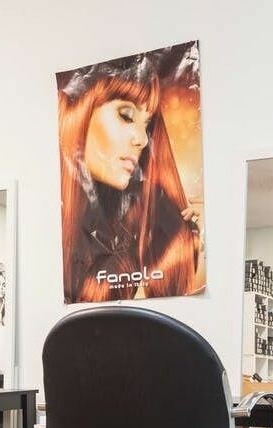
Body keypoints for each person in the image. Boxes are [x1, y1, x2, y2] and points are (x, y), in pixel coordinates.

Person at [57, 48, 205, 303]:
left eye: (147, 125)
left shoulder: (148, 213)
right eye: (126, 116)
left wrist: (193, 244)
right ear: (78, 111)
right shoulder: (53, 227)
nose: (143, 140)